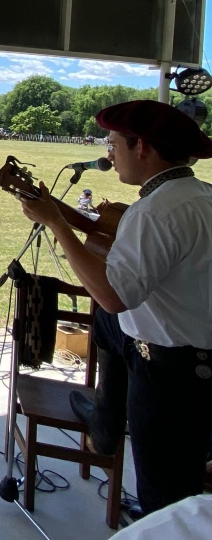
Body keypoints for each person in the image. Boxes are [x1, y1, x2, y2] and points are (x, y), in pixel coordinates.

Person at [17, 99, 212, 517]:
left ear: (141, 147)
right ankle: (106, 420)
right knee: (108, 325)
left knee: (167, 504)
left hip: (170, 377)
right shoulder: (199, 195)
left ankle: (108, 430)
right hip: (194, 366)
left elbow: (112, 294)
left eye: (113, 144)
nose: (109, 153)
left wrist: (56, 222)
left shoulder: (155, 213)